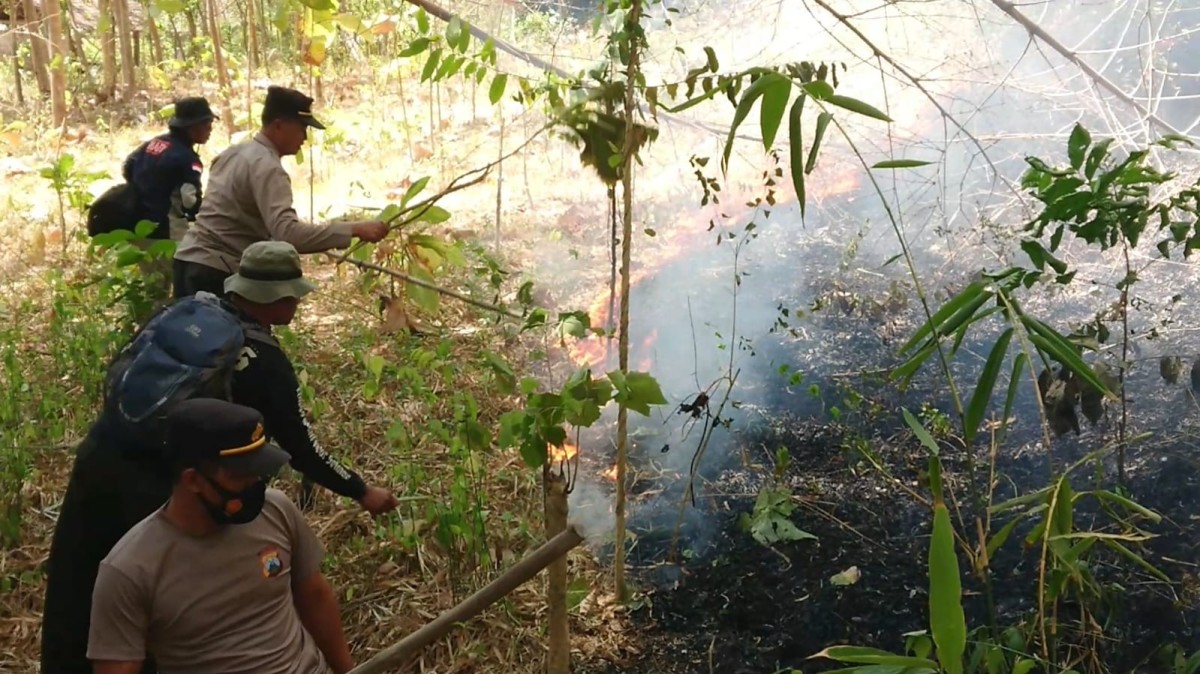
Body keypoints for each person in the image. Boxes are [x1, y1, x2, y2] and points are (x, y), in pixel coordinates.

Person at [39, 241, 397, 674]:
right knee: (170, 606)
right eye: (294, 295)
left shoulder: (186, 312)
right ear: (278, 298)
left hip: (101, 459)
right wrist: (362, 490)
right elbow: (303, 449)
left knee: (80, 594)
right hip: (170, 485)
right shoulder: (264, 363)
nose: (298, 303)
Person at [87, 398, 355, 674]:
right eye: (241, 476)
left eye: (258, 473)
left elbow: (314, 597)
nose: (255, 486)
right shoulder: (129, 570)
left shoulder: (276, 512)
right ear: (193, 480)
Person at [173, 85, 389, 298]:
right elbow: (288, 233)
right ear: (278, 125)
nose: (304, 137)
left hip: (187, 260)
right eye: (301, 128)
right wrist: (354, 229)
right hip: (216, 271)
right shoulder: (268, 167)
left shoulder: (234, 153)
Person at [123, 96, 215, 243]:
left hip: (137, 226)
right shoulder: (188, 160)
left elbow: (128, 166)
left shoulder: (153, 143)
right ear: (193, 126)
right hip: (166, 232)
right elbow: (189, 201)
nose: (210, 130)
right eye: (207, 124)